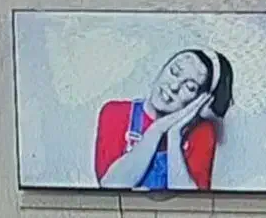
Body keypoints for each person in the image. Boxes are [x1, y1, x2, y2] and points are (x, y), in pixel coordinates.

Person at [95, 48, 233, 190]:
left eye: (190, 87)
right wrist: (157, 129)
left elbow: (190, 201)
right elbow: (110, 186)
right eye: (174, 72)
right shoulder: (116, 112)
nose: (174, 86)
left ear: (201, 99)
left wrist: (174, 136)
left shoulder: (202, 133)